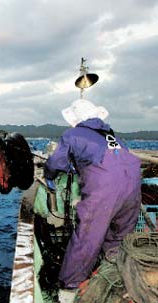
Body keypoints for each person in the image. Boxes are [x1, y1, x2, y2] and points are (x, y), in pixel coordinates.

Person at [44, 99, 142, 303]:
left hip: (106, 188)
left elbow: (56, 162)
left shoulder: (72, 134)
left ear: (75, 119)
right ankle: (112, 276)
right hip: (133, 184)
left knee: (87, 236)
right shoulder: (112, 135)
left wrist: (49, 176)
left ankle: (68, 290)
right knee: (119, 236)